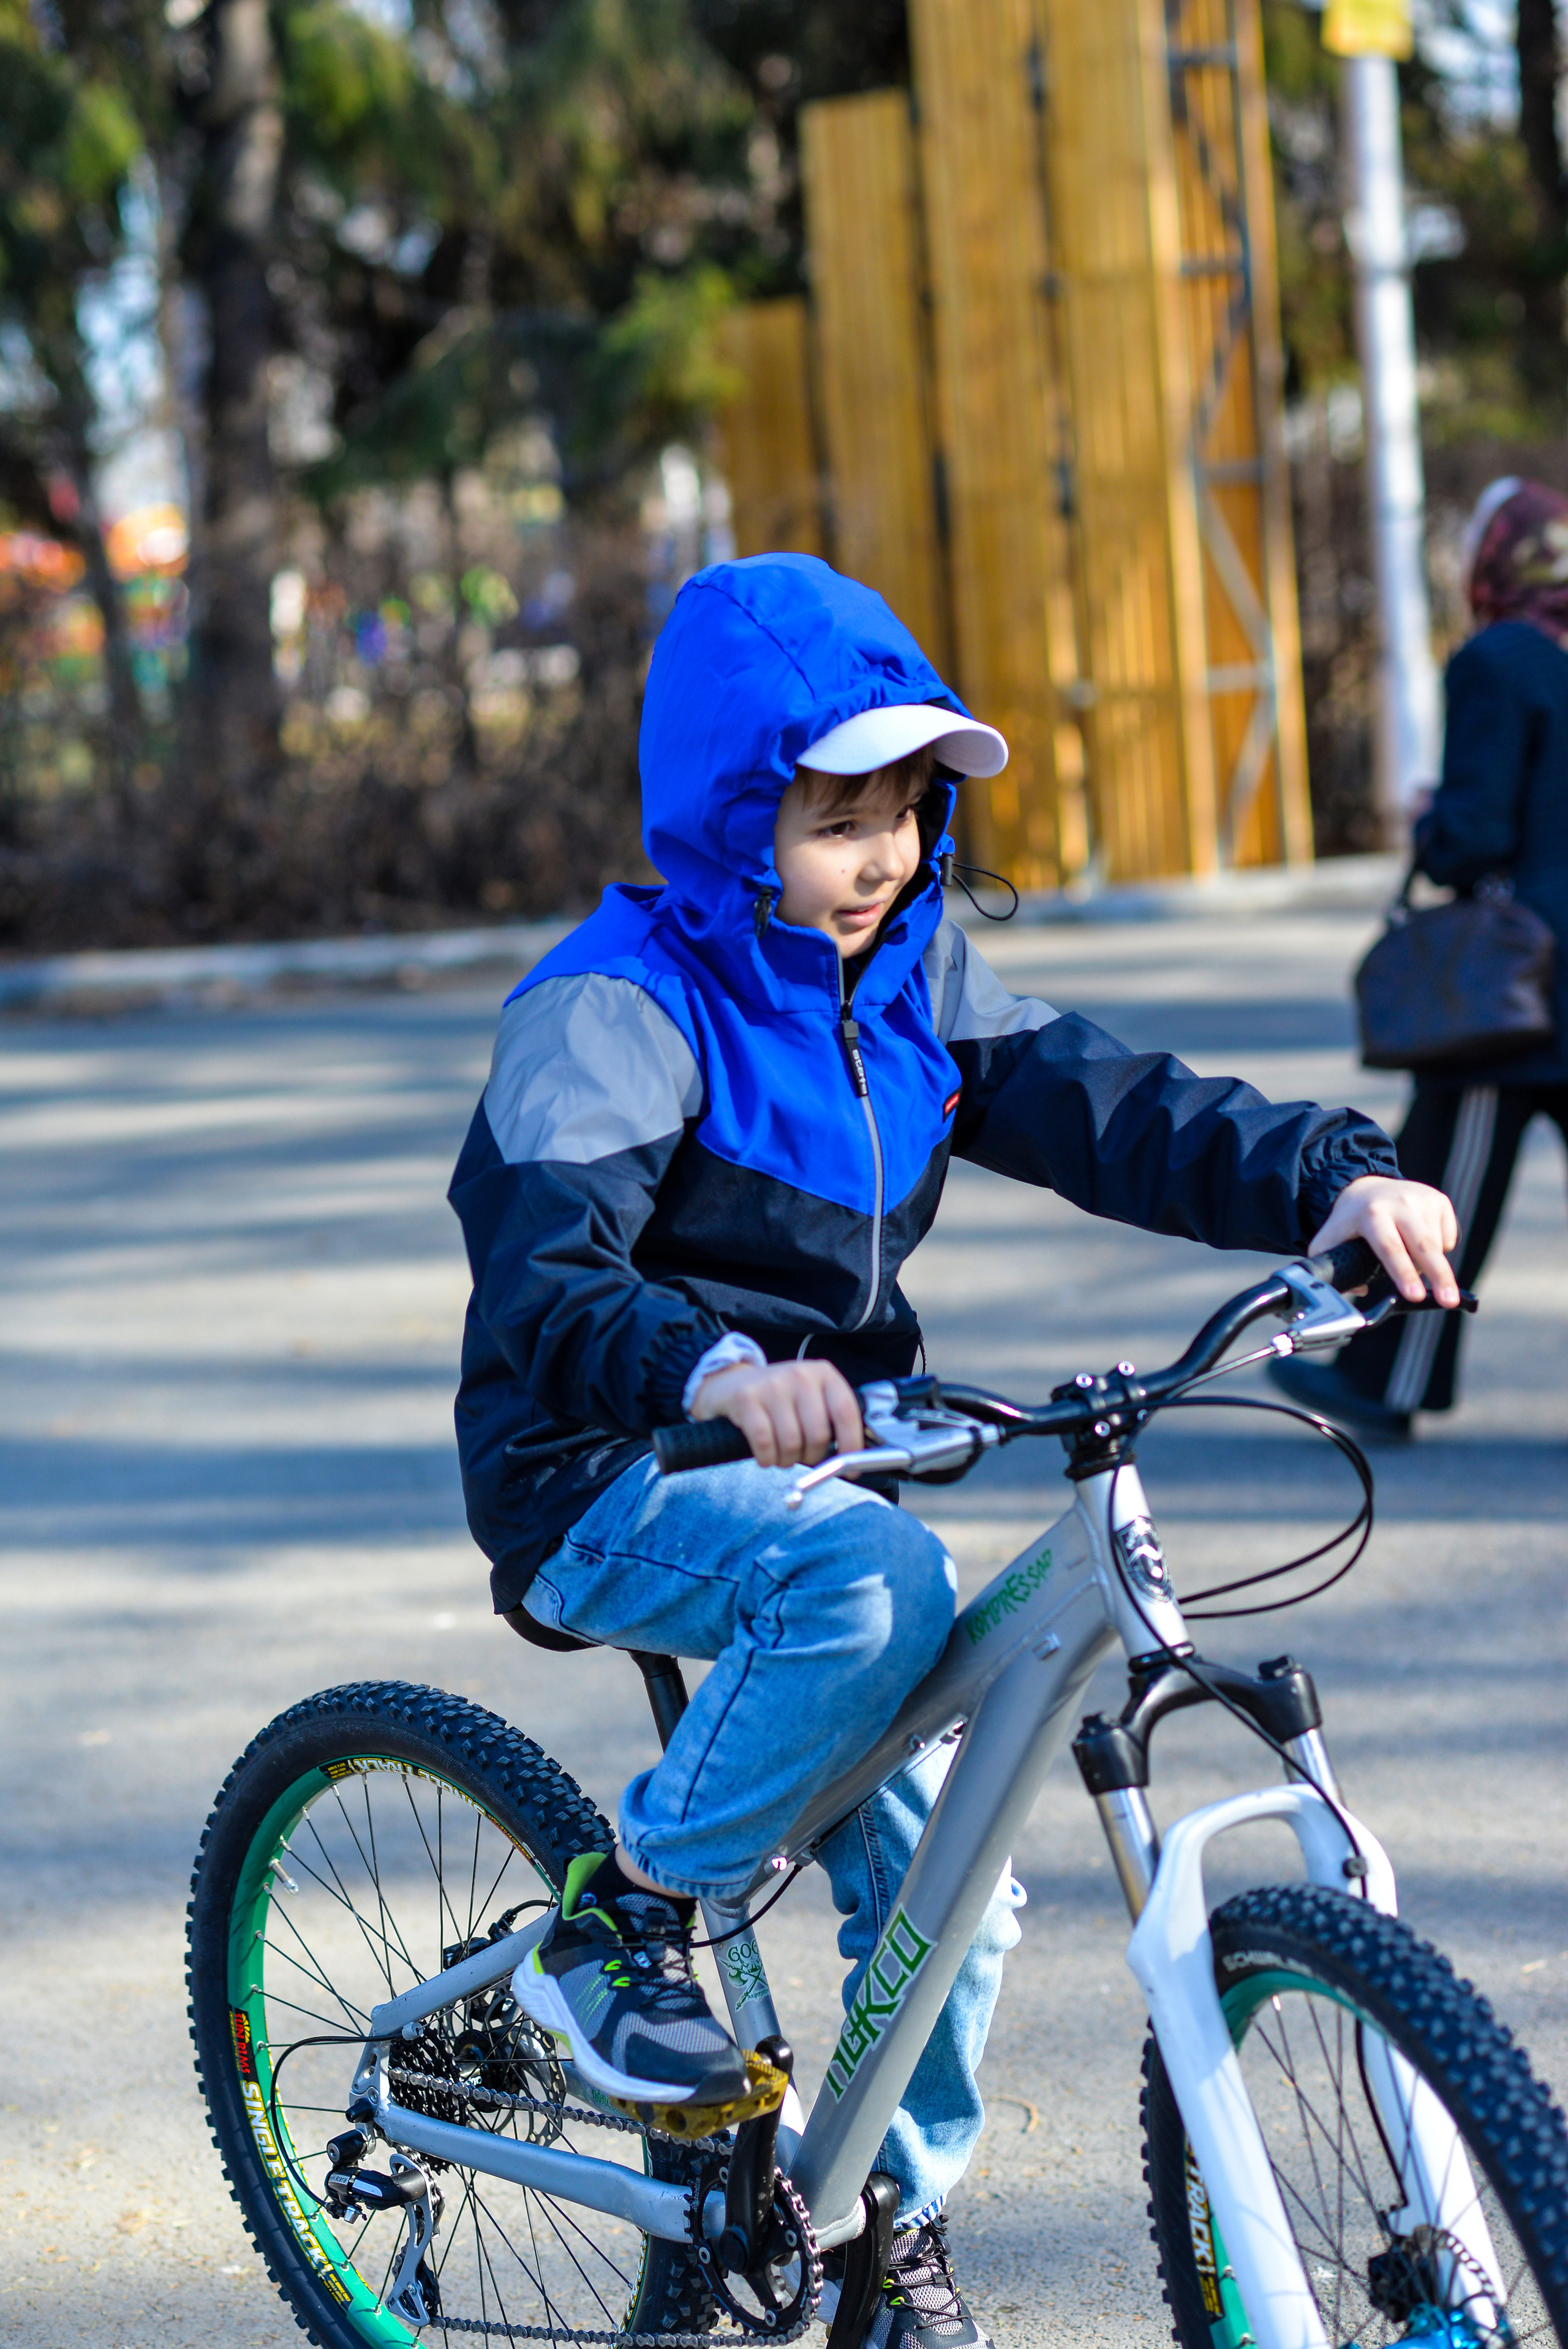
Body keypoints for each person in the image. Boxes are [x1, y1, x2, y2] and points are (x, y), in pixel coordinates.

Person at [448, 553, 1457, 2349]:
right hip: (605, 1464)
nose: (886, 855)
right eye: (836, 820)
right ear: (732, 822)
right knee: (874, 1579)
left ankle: (876, 2227)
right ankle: (624, 1916)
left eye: (910, 810)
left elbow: (1121, 1110)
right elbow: (548, 1280)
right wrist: (715, 1364)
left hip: (821, 1468)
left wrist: (1331, 1177)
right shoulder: (609, 1006)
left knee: (955, 1896)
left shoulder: (909, 977)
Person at [1270, 476, 1568, 1440]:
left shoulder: (1500, 657)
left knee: (1445, 1175)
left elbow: (1476, 835)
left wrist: (1433, 822)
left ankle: (1386, 1380)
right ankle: (1384, 1376)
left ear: (1493, 566)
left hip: (1523, 988)